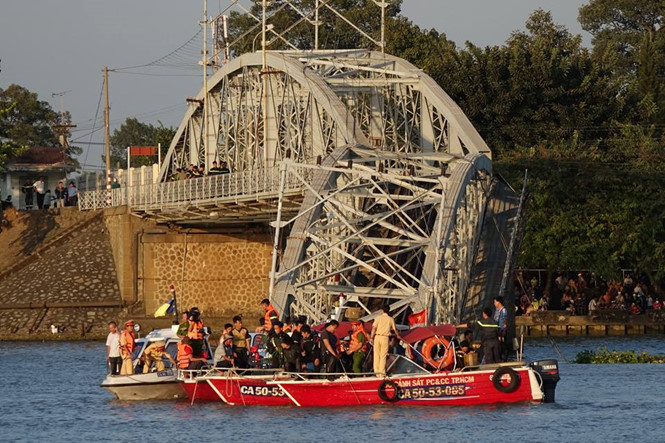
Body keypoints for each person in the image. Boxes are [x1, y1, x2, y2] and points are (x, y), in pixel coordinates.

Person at [369, 305, 401, 377]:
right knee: (383, 355)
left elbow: (374, 328)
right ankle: (382, 372)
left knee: (376, 354)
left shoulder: (378, 318)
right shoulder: (390, 319)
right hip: (385, 338)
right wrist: (398, 335)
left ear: (382, 311)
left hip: (377, 337)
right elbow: (395, 329)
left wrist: (371, 337)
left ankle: (376, 372)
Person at [493, 296, 508, 360]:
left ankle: (503, 358)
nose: (494, 303)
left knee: (502, 346)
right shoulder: (496, 310)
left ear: (499, 302)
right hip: (496, 330)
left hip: (501, 331)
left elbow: (505, 323)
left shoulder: (503, 310)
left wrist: (502, 333)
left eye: (495, 302)